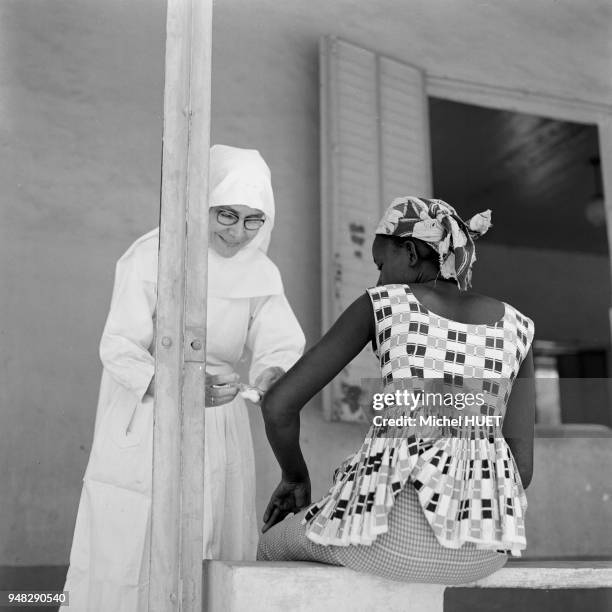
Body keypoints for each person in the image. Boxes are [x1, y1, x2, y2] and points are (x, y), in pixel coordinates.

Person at [63, 145, 305, 610]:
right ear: (202, 203)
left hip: (218, 416)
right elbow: (118, 345)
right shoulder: (151, 256)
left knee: (212, 535)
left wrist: (272, 373)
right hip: (151, 410)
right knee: (137, 541)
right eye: (227, 214)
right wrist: (176, 386)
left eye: (253, 219)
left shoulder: (262, 272)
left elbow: (279, 344)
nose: (237, 232)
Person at [258, 196, 535, 584]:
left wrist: (295, 477)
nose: (377, 280)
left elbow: (278, 407)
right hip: (485, 552)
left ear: (408, 252)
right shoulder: (520, 327)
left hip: (392, 540)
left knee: (272, 546)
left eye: (380, 265)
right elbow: (521, 469)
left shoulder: (384, 302)